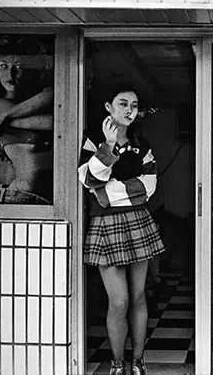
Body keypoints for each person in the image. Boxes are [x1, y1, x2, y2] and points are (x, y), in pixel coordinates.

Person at [78, 85, 165, 375]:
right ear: (108, 107)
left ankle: (138, 361)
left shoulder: (142, 144)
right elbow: (89, 180)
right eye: (123, 103)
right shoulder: (92, 141)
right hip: (106, 226)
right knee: (119, 301)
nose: (129, 110)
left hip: (138, 222)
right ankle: (117, 363)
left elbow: (148, 187)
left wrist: (107, 193)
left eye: (134, 105)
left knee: (139, 297)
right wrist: (108, 145)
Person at [0, 34, 55, 204]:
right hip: (17, 195)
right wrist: (5, 115)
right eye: (3, 66)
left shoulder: (11, 111)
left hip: (44, 197)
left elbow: (52, 98)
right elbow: (52, 122)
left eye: (18, 66)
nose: (10, 73)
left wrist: (5, 117)